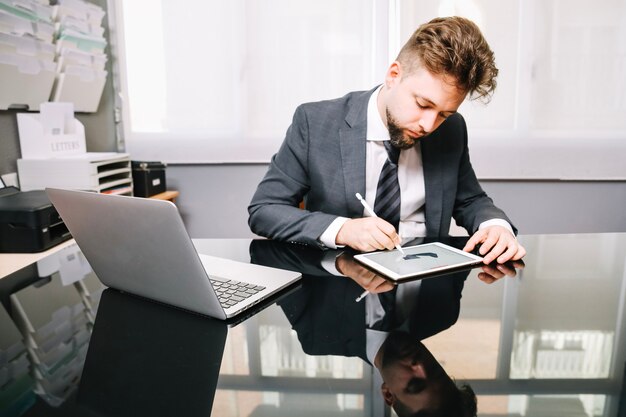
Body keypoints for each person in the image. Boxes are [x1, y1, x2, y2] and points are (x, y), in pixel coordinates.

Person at [248, 16, 526, 265]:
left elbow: (470, 200)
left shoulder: (452, 129)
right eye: (423, 104)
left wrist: (495, 225)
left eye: (444, 113)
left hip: (424, 294)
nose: (429, 125)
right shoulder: (315, 122)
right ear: (394, 75)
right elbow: (264, 210)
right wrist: (343, 229)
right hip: (338, 292)